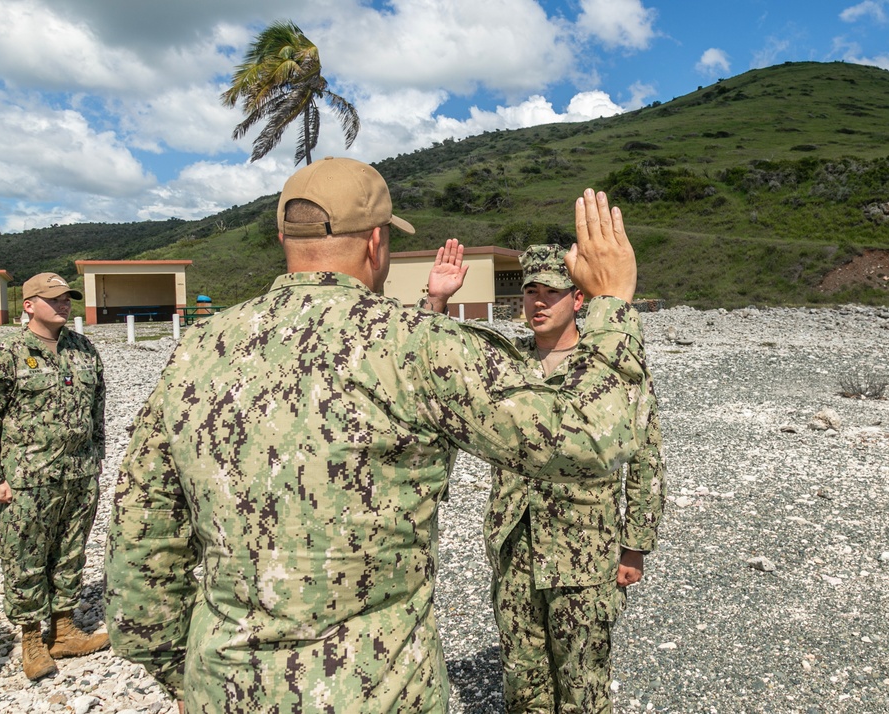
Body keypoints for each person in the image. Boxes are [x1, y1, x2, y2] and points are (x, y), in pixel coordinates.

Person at [104, 156, 654, 713]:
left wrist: (193, 676)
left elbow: (139, 568)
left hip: (223, 686)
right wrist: (612, 303)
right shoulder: (413, 345)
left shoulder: (197, 351)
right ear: (375, 243)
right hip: (378, 690)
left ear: (282, 237)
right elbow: (590, 437)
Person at [484, 244, 666, 713]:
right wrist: (437, 304)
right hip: (515, 548)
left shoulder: (606, 362)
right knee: (524, 688)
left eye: (552, 292)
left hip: (582, 553)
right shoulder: (503, 363)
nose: (539, 302)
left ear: (578, 299)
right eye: (530, 292)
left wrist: (636, 544)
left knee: (583, 689)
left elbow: (645, 456)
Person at [0, 272, 109, 681]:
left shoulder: (83, 349)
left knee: (70, 551)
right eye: (54, 299)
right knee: (25, 559)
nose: (64, 305)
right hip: (27, 479)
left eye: (67, 299)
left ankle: (64, 629)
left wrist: (95, 461)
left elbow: (96, 411)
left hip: (78, 476)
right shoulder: (5, 355)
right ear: (28, 305)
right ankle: (31, 639)